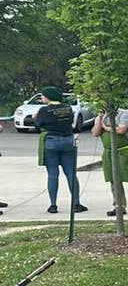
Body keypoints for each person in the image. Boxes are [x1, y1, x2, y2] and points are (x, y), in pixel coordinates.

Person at [34, 86, 87, 214]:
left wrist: (36, 117)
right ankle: (76, 203)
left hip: (51, 142)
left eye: (43, 96)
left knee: (53, 175)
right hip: (68, 141)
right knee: (71, 174)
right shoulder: (68, 108)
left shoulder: (44, 110)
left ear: (48, 97)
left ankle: (53, 205)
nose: (41, 98)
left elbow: (38, 125)